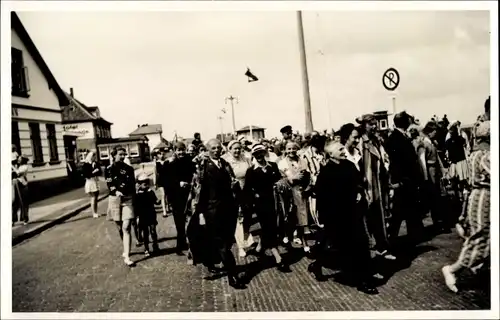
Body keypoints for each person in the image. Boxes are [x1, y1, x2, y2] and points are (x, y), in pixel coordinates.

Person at [310, 140, 378, 294]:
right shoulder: (326, 172)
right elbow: (321, 198)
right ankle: (318, 264)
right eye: (339, 149)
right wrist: (325, 220)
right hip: (337, 217)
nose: (343, 150)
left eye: (342, 148)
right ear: (331, 154)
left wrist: (359, 192)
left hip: (353, 213)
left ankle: (363, 280)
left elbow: (358, 183)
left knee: (360, 244)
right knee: (342, 248)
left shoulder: (349, 165)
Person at [188, 139, 246, 289]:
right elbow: (198, 192)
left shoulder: (225, 165)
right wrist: (200, 213)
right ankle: (232, 276)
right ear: (207, 150)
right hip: (212, 211)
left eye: (218, 148)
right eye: (213, 148)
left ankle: (210, 261)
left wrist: (238, 203)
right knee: (222, 245)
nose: (216, 150)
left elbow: (233, 184)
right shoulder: (203, 167)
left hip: (229, 209)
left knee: (227, 241)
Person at [442, 121, 490, 293]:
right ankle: (453, 269)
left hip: (481, 194)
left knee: (485, 238)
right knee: (480, 239)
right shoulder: (483, 155)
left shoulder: (478, 152)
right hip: (484, 196)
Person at [245, 144, 291, 273]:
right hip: (261, 205)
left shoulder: (273, 166)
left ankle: (259, 247)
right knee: (269, 228)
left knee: (273, 227)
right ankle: (278, 258)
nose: (259, 156)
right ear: (253, 156)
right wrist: (253, 199)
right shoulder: (251, 171)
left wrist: (280, 184)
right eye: (256, 154)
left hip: (275, 202)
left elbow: (279, 180)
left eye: (261, 153)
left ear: (265, 153)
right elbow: (248, 189)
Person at [356, 114, 395, 260]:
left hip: (379, 182)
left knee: (380, 215)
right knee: (369, 215)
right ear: (364, 125)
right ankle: (373, 247)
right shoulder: (361, 142)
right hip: (368, 184)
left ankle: (382, 246)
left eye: (375, 124)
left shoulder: (376, 141)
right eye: (371, 124)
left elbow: (384, 161)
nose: (374, 127)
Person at [385, 112, 425, 246]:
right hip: (403, 181)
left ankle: (413, 236)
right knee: (399, 210)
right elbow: (397, 162)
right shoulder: (395, 139)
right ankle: (391, 239)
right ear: (404, 122)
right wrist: (398, 181)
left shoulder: (400, 137)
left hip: (407, 180)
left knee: (409, 209)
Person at [105, 147, 137, 267]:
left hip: (128, 199)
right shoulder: (108, 169)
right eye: (120, 154)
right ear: (114, 155)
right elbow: (109, 183)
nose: (123, 156)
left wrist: (134, 199)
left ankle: (127, 256)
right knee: (119, 227)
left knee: (126, 226)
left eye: (124, 154)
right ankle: (126, 247)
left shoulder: (129, 169)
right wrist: (116, 191)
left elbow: (132, 185)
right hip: (114, 199)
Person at [277, 141, 311, 252]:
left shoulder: (303, 161)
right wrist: (292, 178)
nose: (291, 151)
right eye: (289, 149)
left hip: (301, 193)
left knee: (302, 219)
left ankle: (305, 244)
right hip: (287, 193)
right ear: (285, 150)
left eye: (293, 148)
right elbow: (279, 181)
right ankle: (287, 238)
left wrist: (307, 186)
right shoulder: (282, 163)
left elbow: (307, 175)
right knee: (288, 216)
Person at [222, 140, 253, 258]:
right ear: (229, 149)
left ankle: (246, 238)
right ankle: (240, 247)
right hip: (233, 193)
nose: (237, 151)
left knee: (247, 217)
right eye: (234, 148)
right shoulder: (226, 161)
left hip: (247, 191)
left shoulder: (246, 159)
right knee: (239, 218)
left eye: (239, 148)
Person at [166, 141, 195, 255]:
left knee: (192, 220)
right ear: (175, 151)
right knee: (179, 222)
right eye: (178, 150)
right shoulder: (171, 165)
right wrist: (178, 183)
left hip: (190, 195)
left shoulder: (190, 163)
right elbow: (167, 182)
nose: (181, 152)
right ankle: (180, 245)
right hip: (177, 197)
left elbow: (195, 175)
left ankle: (192, 244)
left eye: (182, 149)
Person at [422, 121, 449, 233]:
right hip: (430, 171)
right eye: (434, 131)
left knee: (437, 196)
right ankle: (437, 222)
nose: (435, 133)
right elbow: (423, 161)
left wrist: (442, 171)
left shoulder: (432, 143)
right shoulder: (425, 144)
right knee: (434, 197)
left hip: (435, 171)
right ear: (429, 132)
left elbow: (437, 158)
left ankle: (439, 221)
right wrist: (425, 177)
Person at [135, 173, 160, 257]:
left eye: (146, 182)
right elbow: (136, 205)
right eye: (142, 182)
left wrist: (158, 201)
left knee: (153, 230)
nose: (144, 184)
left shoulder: (150, 192)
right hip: (143, 214)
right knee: (145, 232)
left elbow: (155, 201)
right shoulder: (138, 194)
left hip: (151, 213)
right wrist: (137, 215)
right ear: (139, 183)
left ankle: (155, 245)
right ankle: (146, 248)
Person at [82, 151, 102, 218]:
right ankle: (94, 213)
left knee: (96, 198)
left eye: (95, 156)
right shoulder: (86, 164)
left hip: (95, 181)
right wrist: (94, 172)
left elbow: (100, 172)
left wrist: (97, 171)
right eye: (94, 156)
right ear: (91, 157)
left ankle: (96, 212)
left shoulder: (96, 163)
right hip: (90, 182)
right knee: (93, 197)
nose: (95, 158)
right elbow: (86, 174)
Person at [12, 155, 30, 226]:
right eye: (18, 159)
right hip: (15, 184)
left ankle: (25, 218)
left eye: (20, 159)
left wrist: (12, 166)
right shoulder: (18, 165)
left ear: (23, 160)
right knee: (14, 202)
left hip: (22, 185)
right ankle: (13, 219)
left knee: (24, 201)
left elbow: (18, 173)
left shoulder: (25, 167)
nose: (18, 160)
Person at [155, 148, 170, 218]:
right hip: (161, 181)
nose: (161, 155)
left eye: (163, 154)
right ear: (157, 155)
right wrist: (155, 183)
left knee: (168, 195)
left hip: (167, 180)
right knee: (163, 195)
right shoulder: (156, 163)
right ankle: (164, 211)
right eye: (160, 154)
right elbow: (155, 174)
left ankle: (168, 207)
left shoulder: (167, 162)